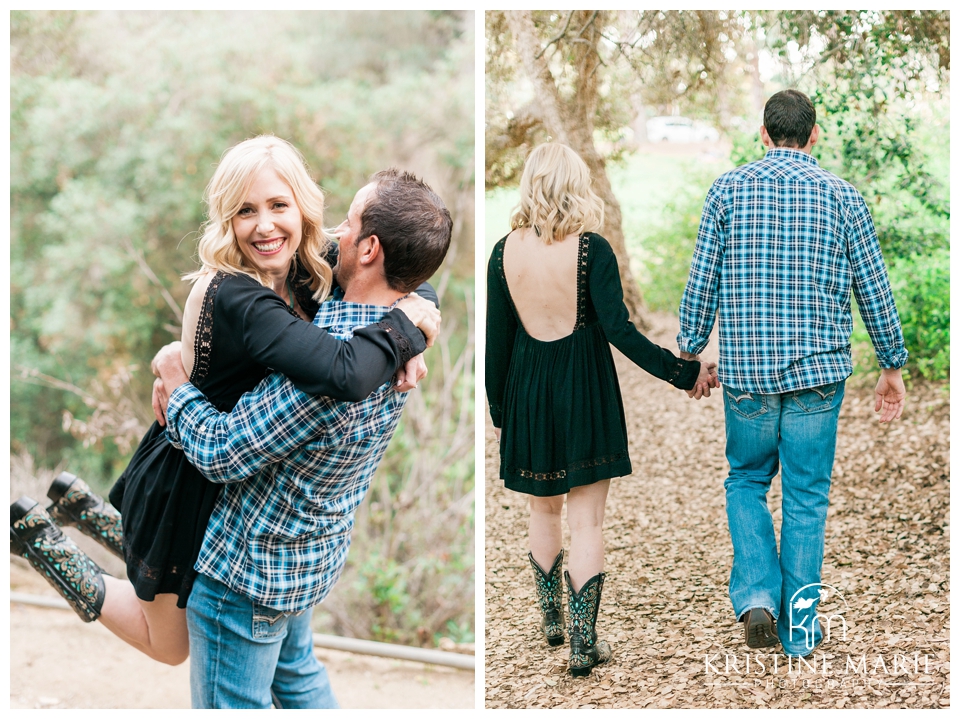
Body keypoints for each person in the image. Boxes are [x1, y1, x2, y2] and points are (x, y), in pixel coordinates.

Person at [10, 136, 440, 667]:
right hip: (187, 477)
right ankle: (44, 545)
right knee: (170, 646)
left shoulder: (305, 265)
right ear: (226, 219)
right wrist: (404, 330)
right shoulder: (240, 294)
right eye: (245, 211)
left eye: (278, 206)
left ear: (302, 207)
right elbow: (341, 371)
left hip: (233, 482)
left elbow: (401, 263)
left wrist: (418, 317)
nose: (264, 225)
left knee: (173, 602)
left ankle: (92, 514)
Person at [147, 167, 453, 708]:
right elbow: (411, 275)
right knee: (299, 679)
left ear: (370, 248)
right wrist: (417, 315)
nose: (336, 231)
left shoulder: (331, 366)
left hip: (248, 576)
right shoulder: (394, 326)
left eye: (351, 222)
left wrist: (177, 385)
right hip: (308, 558)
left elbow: (220, 452)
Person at [677, 89, 908, 657]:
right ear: (815, 135)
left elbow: (702, 278)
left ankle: (757, 597)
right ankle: (799, 628)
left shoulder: (728, 191)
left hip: (750, 374)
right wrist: (891, 364)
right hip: (818, 376)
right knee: (806, 497)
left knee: (747, 480)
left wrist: (690, 354)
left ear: (763, 133)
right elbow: (872, 288)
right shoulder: (843, 198)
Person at [485, 142, 716, 677]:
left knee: (541, 509)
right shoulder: (593, 250)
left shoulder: (503, 253)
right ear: (575, 185)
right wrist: (683, 372)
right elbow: (620, 332)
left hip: (528, 390)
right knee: (586, 520)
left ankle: (552, 622)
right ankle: (583, 645)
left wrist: (502, 413)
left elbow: (499, 342)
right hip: (584, 387)